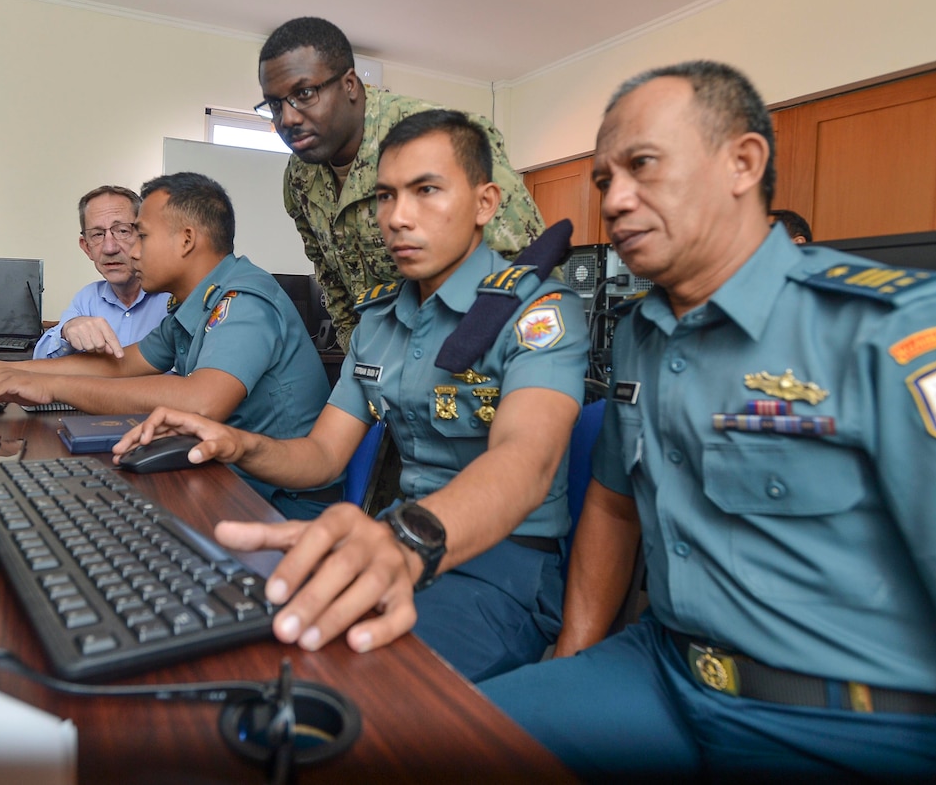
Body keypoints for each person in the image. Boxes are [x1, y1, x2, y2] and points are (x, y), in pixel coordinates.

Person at [479, 61, 936, 781]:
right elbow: (612, 500)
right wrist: (574, 652)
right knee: (436, 737)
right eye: (603, 180)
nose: (616, 200)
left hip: (846, 720)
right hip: (664, 674)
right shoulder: (638, 333)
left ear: (742, 163)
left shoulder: (900, 331)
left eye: (643, 166)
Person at [116, 110, 588, 682]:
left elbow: (526, 460)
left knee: (352, 685)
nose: (398, 217)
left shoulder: (537, 312)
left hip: (499, 572)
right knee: (236, 638)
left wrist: (403, 540)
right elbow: (321, 456)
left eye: (426, 191)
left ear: (486, 204)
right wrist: (237, 442)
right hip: (391, 543)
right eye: (386, 196)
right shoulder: (381, 321)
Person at [0, 172, 339, 519]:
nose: (131, 251)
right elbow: (124, 364)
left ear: (187, 240)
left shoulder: (243, 300)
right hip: (226, 480)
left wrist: (50, 387)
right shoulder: (191, 305)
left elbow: (201, 401)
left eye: (140, 236)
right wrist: (9, 372)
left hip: (277, 506)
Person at [257, 16, 546, 352]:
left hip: (476, 361)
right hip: (383, 366)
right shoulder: (299, 176)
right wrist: (361, 355)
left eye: (304, 94)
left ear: (350, 84)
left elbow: (530, 266)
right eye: (275, 104)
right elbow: (331, 279)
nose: (287, 118)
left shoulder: (441, 139)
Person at [31, 185, 171, 359]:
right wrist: (66, 331)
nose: (109, 248)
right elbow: (41, 358)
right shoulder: (87, 299)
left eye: (122, 231)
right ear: (87, 248)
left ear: (144, 236)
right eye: (97, 234)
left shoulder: (173, 298)